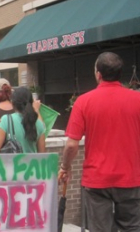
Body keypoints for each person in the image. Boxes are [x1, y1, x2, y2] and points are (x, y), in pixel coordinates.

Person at [59, 52, 140, 232]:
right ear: (120, 74)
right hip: (130, 178)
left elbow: (72, 144)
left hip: (97, 179)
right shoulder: (137, 100)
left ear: (98, 74)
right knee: (131, 228)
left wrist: (65, 167)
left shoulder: (83, 102)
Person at [0, 87, 45, 154]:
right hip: (32, 164)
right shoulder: (39, 124)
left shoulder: (6, 120)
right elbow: (42, 153)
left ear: (12, 102)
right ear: (31, 102)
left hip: (13, 163)